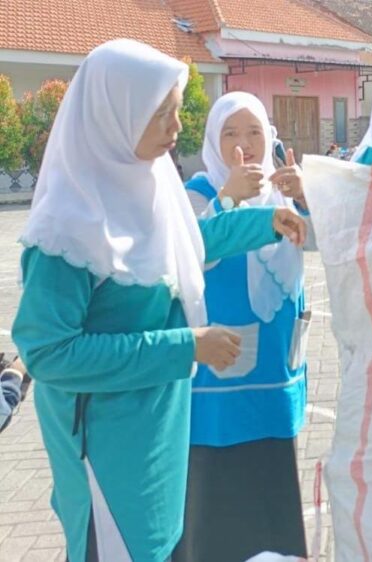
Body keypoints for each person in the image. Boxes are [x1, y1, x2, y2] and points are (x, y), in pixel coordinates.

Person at [11, 39, 306, 562]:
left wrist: (266, 222)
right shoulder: (66, 230)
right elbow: (48, 353)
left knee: (161, 542)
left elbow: (188, 245)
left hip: (157, 432)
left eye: (175, 110)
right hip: (104, 448)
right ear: (116, 115)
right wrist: (186, 345)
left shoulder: (148, 185)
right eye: (162, 113)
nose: (176, 127)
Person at [176, 92, 311, 562]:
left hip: (272, 371)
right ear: (213, 140)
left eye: (254, 131)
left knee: (271, 486)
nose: (245, 144)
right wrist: (229, 196)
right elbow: (190, 255)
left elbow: (323, 243)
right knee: (216, 496)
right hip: (218, 376)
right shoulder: (197, 193)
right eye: (230, 133)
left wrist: (305, 197)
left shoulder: (283, 191)